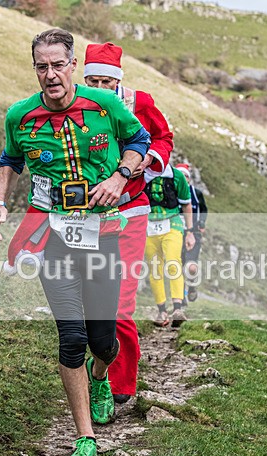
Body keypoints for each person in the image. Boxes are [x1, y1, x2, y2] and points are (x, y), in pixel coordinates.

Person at [0, 29, 150, 456]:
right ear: (34, 69)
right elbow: (10, 160)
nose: (51, 74)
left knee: (103, 341)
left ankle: (101, 377)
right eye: (42, 66)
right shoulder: (20, 115)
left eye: (58, 64)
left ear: (72, 65)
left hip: (104, 235)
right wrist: (0, 204)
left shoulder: (106, 105)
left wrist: (119, 177)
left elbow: (140, 143)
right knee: (72, 338)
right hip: (54, 237)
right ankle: (85, 438)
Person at [82, 42, 174, 405]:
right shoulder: (74, 106)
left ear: (118, 80)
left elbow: (164, 137)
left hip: (131, 212)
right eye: (93, 81)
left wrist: (148, 159)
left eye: (106, 82)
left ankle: (119, 384)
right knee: (89, 304)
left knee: (121, 304)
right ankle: (93, 368)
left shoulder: (140, 102)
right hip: (85, 216)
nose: (100, 88)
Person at [144, 163, 195, 327]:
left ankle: (178, 309)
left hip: (172, 223)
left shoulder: (177, 176)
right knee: (155, 268)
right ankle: (161, 310)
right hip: (148, 226)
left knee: (173, 263)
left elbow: (186, 204)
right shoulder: (140, 174)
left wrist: (190, 232)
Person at [176, 163, 208, 304]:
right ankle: (181, 297)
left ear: (189, 178)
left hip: (193, 233)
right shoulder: (171, 192)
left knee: (191, 267)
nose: (183, 178)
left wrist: (201, 223)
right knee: (178, 265)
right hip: (176, 232)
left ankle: (192, 286)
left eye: (186, 176)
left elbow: (204, 209)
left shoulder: (196, 193)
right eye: (180, 175)